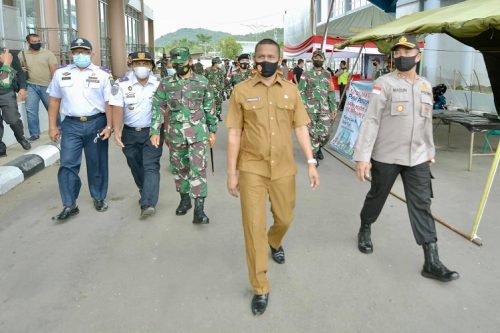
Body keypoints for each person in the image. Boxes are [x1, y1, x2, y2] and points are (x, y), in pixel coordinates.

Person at [353, 35, 459, 282]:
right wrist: (362, 157)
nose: (402, 56)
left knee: (422, 204)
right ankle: (365, 227)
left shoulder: (424, 86)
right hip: (387, 155)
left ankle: (431, 261)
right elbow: (371, 120)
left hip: (418, 157)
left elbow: (425, 122)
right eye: (397, 53)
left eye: (407, 52)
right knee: (377, 196)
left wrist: (430, 151)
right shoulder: (384, 83)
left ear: (417, 56)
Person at [226, 38, 320, 316]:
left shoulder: (292, 91)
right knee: (253, 227)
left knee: (284, 217)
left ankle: (275, 240)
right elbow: (234, 134)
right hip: (252, 168)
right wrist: (232, 173)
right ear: (254, 60)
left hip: (283, 168)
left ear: (279, 60)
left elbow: (301, 128)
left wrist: (311, 162)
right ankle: (260, 286)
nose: (266, 60)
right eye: (261, 56)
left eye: (271, 56)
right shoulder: (240, 91)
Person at [47, 37, 113, 221]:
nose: (80, 55)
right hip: (71, 124)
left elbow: (109, 102)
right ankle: (69, 204)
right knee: (67, 164)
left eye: (84, 52)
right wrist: (52, 126)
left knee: (97, 163)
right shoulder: (61, 74)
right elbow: (54, 100)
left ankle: (98, 197)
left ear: (92, 53)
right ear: (71, 54)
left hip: (96, 123)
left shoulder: (103, 74)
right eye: (76, 52)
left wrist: (109, 125)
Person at [150, 47, 217, 224]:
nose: (179, 66)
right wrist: (155, 130)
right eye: (176, 63)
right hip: (176, 134)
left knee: (198, 168)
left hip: (198, 134)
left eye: (182, 63)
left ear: (190, 62)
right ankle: (184, 199)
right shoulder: (166, 83)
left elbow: (210, 107)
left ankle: (199, 209)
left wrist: (213, 130)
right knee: (179, 168)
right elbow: (158, 106)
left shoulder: (202, 82)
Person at [110, 51, 162, 218]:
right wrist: (117, 131)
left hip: (152, 132)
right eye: (137, 64)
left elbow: (165, 109)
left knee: (151, 166)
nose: (141, 67)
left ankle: (148, 203)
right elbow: (118, 109)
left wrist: (166, 133)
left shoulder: (159, 84)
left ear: (151, 66)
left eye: (145, 64)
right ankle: (144, 190)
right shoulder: (121, 84)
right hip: (130, 133)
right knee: (135, 164)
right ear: (131, 66)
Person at [298, 50, 336, 165]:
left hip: (324, 110)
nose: (318, 59)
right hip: (310, 110)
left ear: (323, 60)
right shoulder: (306, 74)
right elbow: (301, 92)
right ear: (313, 59)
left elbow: (331, 92)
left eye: (320, 58)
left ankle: (319, 147)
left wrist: (333, 108)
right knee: (312, 133)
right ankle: (313, 155)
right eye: (316, 58)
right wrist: (303, 108)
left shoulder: (327, 75)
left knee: (325, 133)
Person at [23, 33, 59, 141]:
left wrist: (54, 85)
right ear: (28, 42)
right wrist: (21, 68)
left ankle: (59, 128)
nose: (37, 43)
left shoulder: (48, 53)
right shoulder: (22, 54)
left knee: (52, 108)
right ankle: (34, 134)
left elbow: (53, 69)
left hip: (46, 85)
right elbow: (18, 67)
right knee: (31, 110)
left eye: (38, 41)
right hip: (30, 85)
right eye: (34, 42)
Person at [0, 48, 31, 157]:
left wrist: (22, 87)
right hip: (4, 85)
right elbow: (4, 81)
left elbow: (18, 73)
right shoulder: (7, 59)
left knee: (13, 120)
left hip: (6, 93)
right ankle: (1, 148)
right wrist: (6, 64)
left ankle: (21, 137)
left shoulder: (9, 53)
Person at [204, 57, 225, 121]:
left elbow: (222, 81)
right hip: (209, 91)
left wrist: (222, 89)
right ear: (215, 63)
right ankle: (209, 116)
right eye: (218, 63)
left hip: (218, 90)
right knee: (209, 103)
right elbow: (204, 79)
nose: (220, 64)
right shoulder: (207, 70)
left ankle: (218, 114)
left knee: (218, 103)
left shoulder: (220, 71)